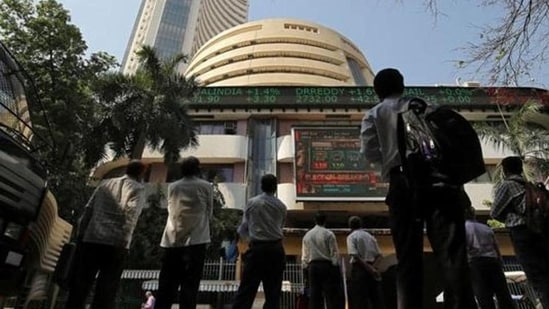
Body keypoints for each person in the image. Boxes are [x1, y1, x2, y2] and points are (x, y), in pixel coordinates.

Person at [360, 68, 476, 309]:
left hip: (402, 184)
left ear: (377, 91)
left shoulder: (375, 114)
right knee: (452, 254)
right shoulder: (427, 107)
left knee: (407, 257)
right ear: (402, 86)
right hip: (441, 184)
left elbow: (369, 152)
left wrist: (391, 160)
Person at [65, 160, 147, 309]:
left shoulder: (105, 184)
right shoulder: (138, 189)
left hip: (91, 238)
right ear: (141, 173)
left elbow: (88, 210)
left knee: (81, 283)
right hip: (115, 243)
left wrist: (81, 234)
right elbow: (131, 216)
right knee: (107, 288)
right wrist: (125, 241)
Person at [155, 156, 213, 309]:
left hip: (172, 240)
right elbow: (209, 212)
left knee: (166, 288)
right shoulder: (206, 186)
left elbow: (170, 208)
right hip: (196, 242)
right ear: (198, 169)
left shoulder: (173, 186)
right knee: (190, 288)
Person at [491, 156, 549, 309]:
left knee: (534, 274)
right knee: (545, 271)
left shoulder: (508, 185)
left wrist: (509, 216)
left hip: (521, 233)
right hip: (540, 232)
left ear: (505, 169)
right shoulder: (529, 185)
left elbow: (495, 212)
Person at [232, 174, 287, 309]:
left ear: (261, 186)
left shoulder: (252, 203)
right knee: (273, 292)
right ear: (275, 188)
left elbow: (243, 228)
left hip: (257, 250)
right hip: (276, 250)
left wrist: (250, 239)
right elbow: (281, 226)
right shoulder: (282, 206)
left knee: (246, 290)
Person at [464, 204, 515, 309]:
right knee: (502, 292)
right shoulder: (486, 228)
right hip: (492, 261)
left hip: (476, 262)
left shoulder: (464, 228)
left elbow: (466, 247)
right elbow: (495, 246)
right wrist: (500, 261)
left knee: (483, 294)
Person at [301, 212, 345, 309]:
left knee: (314, 296)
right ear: (325, 221)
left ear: (315, 221)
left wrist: (305, 270)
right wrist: (336, 268)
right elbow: (334, 253)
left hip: (312, 267)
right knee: (330, 295)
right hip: (326, 266)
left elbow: (305, 256)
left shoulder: (307, 235)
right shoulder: (329, 234)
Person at [346, 216, 385, 309]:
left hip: (359, 269)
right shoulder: (370, 236)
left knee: (360, 300)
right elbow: (379, 255)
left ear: (350, 226)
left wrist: (368, 268)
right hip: (372, 268)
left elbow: (355, 255)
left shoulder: (351, 237)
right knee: (376, 299)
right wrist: (373, 268)